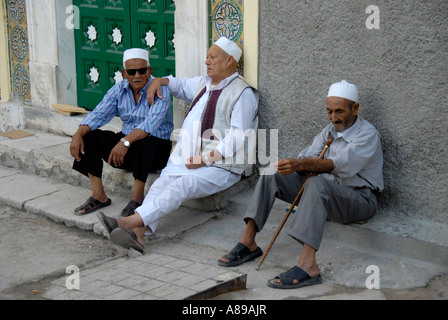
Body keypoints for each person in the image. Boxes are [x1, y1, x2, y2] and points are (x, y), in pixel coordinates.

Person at [97, 37, 259, 253]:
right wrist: (159, 81)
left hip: (221, 165)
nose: (206, 61)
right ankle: (138, 234)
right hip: (188, 158)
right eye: (207, 57)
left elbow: (238, 136)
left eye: (212, 57)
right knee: (160, 186)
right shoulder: (205, 83)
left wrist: (205, 159)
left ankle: (126, 223)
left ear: (229, 60)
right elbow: (179, 85)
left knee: (183, 186)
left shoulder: (243, 93)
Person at [218, 80, 384, 290]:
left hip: (359, 200)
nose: (334, 117)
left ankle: (309, 265)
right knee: (272, 173)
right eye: (329, 111)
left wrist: (303, 164)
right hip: (325, 196)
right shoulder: (329, 131)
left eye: (339, 111)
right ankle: (248, 242)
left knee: (316, 184)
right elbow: (307, 155)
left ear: (355, 108)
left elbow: (340, 165)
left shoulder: (368, 134)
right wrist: (296, 164)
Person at [70, 48, 173, 217]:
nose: (137, 75)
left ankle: (137, 199)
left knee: (146, 141)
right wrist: (78, 134)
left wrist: (125, 142)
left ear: (150, 70)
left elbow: (150, 125)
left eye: (142, 70)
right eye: (132, 72)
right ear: (124, 73)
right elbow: (98, 114)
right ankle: (99, 196)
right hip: (128, 148)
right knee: (89, 137)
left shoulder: (160, 90)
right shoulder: (119, 90)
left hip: (156, 150)